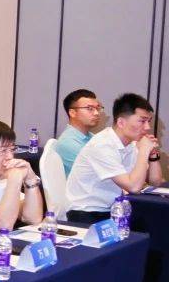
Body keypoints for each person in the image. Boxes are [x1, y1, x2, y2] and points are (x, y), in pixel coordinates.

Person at [66, 93, 164, 222]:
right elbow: (134, 187)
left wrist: (153, 155)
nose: (147, 127)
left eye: (148, 121)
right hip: (86, 213)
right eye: (142, 121)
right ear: (121, 122)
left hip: (113, 210)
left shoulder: (131, 144)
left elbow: (156, 182)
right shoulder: (102, 145)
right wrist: (144, 151)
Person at [55, 89, 103, 176]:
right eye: (90, 108)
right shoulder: (69, 143)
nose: (96, 113)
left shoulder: (91, 137)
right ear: (72, 113)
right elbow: (100, 174)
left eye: (97, 108)